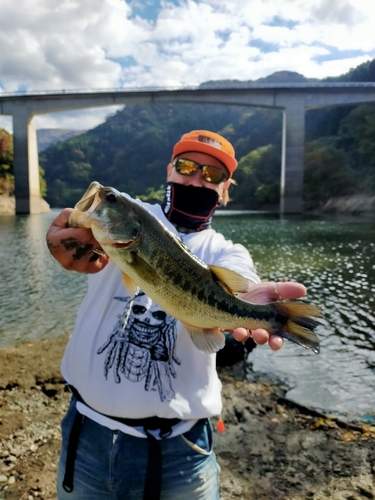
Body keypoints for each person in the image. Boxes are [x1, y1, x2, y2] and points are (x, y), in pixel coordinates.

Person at [46, 130, 308, 500]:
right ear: (169, 170)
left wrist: (258, 310)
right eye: (187, 166)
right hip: (87, 438)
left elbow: (244, 285)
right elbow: (80, 242)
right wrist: (71, 244)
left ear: (226, 189)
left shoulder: (228, 252)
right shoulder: (132, 218)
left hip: (182, 455)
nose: (196, 178)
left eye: (213, 175)